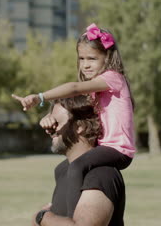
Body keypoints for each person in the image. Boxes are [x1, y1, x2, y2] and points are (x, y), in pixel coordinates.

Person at [13, 23, 135, 217]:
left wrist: (40, 97)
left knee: (77, 166)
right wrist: (49, 116)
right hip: (103, 146)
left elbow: (74, 89)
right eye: (81, 58)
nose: (85, 64)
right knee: (63, 168)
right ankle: (60, 208)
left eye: (92, 59)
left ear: (108, 57)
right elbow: (71, 110)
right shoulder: (97, 88)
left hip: (118, 149)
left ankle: (72, 219)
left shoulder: (113, 78)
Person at [32, 96, 125, 226]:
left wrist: (42, 217)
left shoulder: (101, 174)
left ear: (79, 126)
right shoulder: (62, 170)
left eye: (55, 123)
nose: (49, 130)